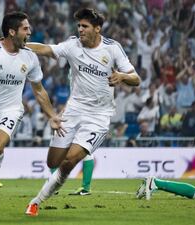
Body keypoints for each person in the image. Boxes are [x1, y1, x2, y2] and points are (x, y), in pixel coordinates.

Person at [24, 8, 140, 216]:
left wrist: (122, 76)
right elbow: (46, 49)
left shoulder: (113, 49)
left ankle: (36, 202)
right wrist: (20, 45)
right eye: (79, 26)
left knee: (69, 161)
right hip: (74, 110)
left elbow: (136, 79)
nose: (80, 30)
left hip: (98, 117)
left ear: (97, 29)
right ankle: (54, 181)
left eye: (85, 26)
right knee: (53, 162)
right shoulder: (72, 45)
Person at [0, 11, 63, 215]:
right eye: (25, 29)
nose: (30, 32)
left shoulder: (29, 56)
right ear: (12, 32)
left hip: (11, 109)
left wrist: (52, 116)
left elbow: (39, 90)